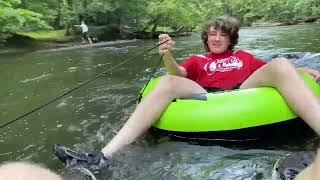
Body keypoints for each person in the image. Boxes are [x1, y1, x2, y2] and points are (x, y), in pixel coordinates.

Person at [55, 16, 320, 179]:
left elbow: (270, 70)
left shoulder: (244, 57)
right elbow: (178, 73)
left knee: (282, 63)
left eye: (222, 35)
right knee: (167, 80)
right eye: (212, 34)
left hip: (243, 90)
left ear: (230, 39)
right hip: (206, 97)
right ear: (206, 39)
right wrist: (167, 54)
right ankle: (102, 157)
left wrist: (297, 71)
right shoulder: (198, 60)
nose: (216, 38)